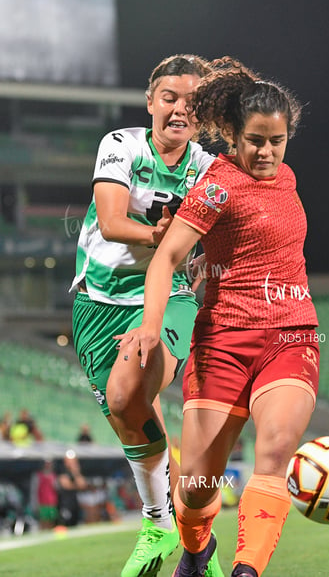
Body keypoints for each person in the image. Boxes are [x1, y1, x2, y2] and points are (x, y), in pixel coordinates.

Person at [116, 57, 319, 577]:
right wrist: (149, 325)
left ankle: (246, 570)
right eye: (255, 140)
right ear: (233, 134)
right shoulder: (217, 185)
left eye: (277, 140)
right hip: (223, 340)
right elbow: (166, 257)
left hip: (291, 335)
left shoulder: (289, 177)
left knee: (273, 452)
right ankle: (197, 549)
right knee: (198, 491)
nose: (267, 152)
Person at [70, 54, 224, 577]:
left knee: (126, 394)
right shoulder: (122, 145)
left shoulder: (208, 168)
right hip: (97, 302)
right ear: (151, 102)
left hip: (167, 295)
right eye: (170, 98)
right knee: (140, 430)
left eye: (192, 102)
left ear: (203, 114)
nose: (180, 109)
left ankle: (156, 523)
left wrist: (200, 261)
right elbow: (112, 223)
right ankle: (201, 549)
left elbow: (220, 235)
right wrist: (162, 236)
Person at [57, 450, 88, 527]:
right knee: (65, 524)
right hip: (65, 505)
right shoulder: (62, 471)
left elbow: (83, 485)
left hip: (75, 505)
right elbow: (66, 485)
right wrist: (77, 486)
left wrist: (76, 472)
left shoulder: (76, 473)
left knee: (75, 525)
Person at [36, 459, 58, 529]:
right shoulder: (38, 476)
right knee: (43, 522)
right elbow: (35, 491)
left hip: (52, 503)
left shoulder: (54, 476)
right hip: (42, 503)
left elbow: (57, 488)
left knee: (51, 521)